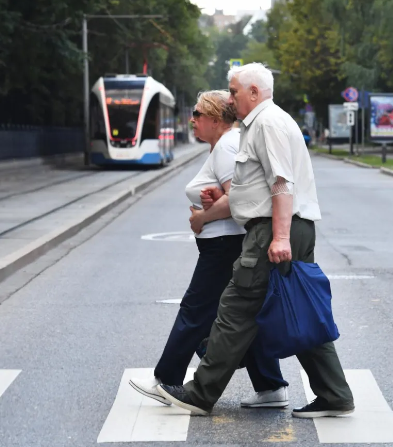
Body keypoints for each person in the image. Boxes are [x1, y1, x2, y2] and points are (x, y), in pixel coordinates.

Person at [156, 63, 355, 419]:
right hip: (282, 225)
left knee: (234, 307)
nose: (229, 98)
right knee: (299, 309)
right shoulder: (260, 124)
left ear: (254, 92)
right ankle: (334, 393)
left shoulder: (267, 123)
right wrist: (232, 194)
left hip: (276, 228)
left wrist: (279, 236)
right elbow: (262, 183)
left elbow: (281, 183)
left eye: (234, 91)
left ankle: (200, 393)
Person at [129, 90, 290, 409]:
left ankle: (166, 378)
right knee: (238, 318)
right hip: (222, 245)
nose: (192, 120)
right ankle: (271, 386)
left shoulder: (228, 145)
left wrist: (202, 217)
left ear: (216, 120)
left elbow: (237, 199)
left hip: (223, 246)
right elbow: (230, 192)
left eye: (198, 114)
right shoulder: (224, 146)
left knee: (194, 310)